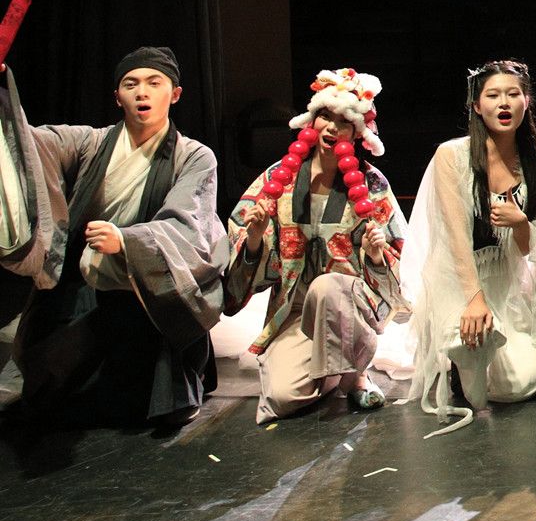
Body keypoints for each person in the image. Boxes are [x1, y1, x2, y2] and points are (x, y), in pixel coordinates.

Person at [1, 47, 226, 427]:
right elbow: (25, 145)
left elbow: (188, 225)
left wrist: (127, 242)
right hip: (84, 280)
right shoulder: (89, 143)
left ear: (175, 94)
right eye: (130, 84)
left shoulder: (194, 156)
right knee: (48, 395)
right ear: (117, 97)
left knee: (149, 394)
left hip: (149, 284)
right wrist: (2, 94)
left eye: (154, 83)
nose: (142, 92)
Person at [223, 68, 407, 421]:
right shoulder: (278, 178)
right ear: (311, 121)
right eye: (325, 116)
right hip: (296, 308)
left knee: (326, 287)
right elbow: (242, 240)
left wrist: (375, 255)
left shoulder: (372, 185)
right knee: (284, 397)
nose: (331, 128)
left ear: (357, 132)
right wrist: (256, 236)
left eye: (343, 121)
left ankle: (356, 374)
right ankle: (338, 372)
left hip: (347, 304)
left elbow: (398, 257)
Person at [400, 60, 536, 436]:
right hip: (459, 278)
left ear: (526, 102)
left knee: (519, 385)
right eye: (493, 95)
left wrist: (520, 224)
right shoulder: (452, 155)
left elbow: (533, 252)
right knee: (474, 367)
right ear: (476, 105)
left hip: (507, 282)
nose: (504, 103)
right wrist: (473, 299)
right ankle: (458, 360)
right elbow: (455, 236)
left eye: (513, 94)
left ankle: (484, 353)